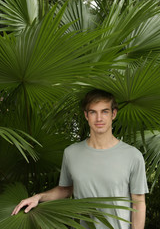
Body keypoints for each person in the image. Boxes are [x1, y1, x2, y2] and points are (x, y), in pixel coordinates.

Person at [12, 89, 149, 229]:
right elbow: (65, 190)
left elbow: (138, 201)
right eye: (93, 112)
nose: (99, 118)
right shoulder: (71, 153)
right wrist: (38, 197)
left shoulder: (133, 156)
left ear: (113, 114)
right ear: (86, 115)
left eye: (105, 111)